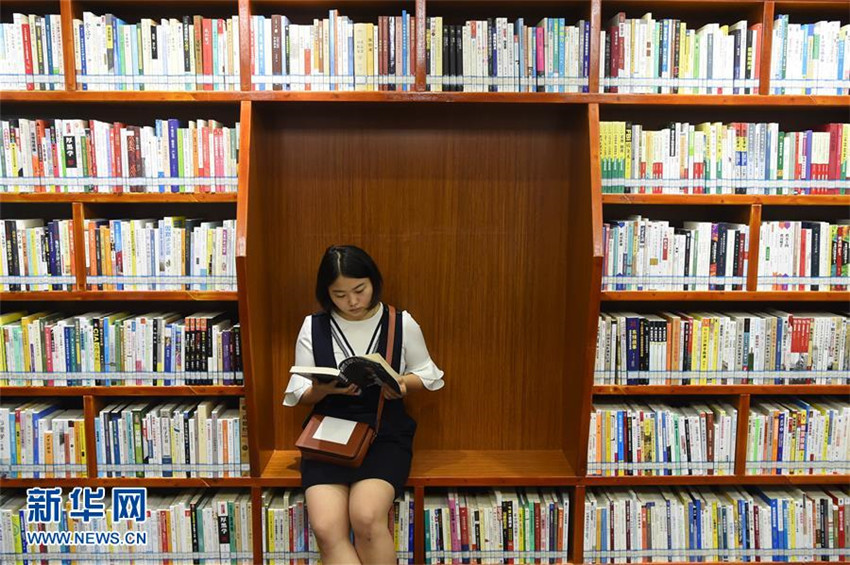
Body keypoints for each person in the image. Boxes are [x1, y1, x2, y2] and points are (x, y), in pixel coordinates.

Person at [283, 245, 444, 564]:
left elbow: (429, 375)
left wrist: (401, 384)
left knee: (367, 517)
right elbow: (298, 390)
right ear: (326, 293)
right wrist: (323, 390)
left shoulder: (401, 322)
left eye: (359, 290)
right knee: (326, 527)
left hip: (384, 431)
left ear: (374, 282)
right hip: (328, 434)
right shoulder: (313, 326)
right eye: (339, 294)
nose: (352, 301)